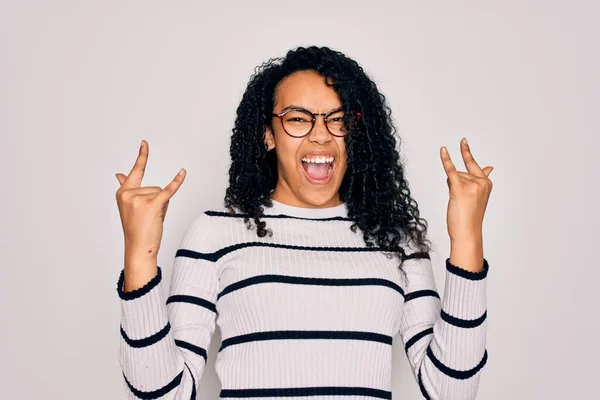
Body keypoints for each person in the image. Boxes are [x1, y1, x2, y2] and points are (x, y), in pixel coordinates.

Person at [114, 45, 493, 400]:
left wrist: (467, 239)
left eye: (338, 119)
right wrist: (139, 257)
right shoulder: (215, 234)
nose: (320, 135)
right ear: (268, 134)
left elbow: (452, 391)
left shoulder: (394, 241)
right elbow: (165, 394)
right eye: (298, 118)